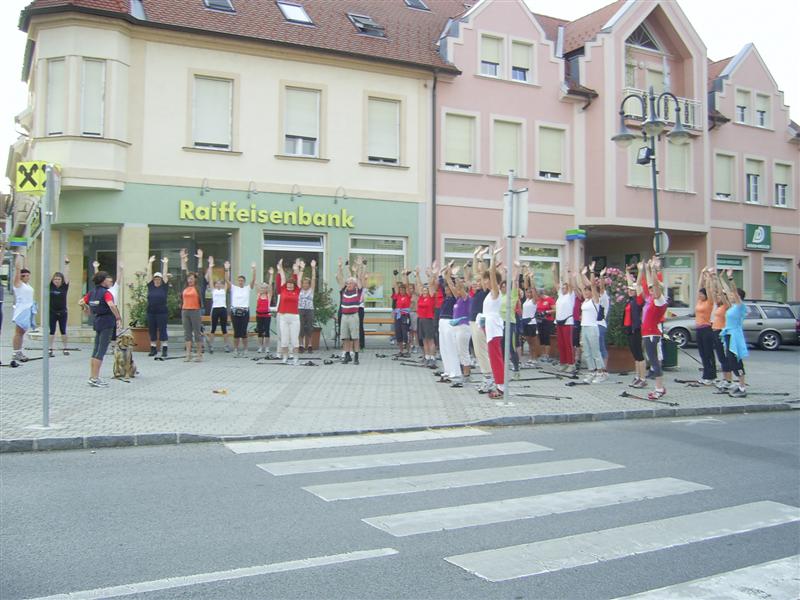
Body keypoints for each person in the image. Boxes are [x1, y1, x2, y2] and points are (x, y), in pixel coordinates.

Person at [81, 270, 121, 387]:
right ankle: (95, 378)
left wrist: (87, 310)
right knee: (101, 350)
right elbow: (111, 305)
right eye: (108, 279)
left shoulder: (92, 292)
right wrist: (118, 317)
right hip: (107, 322)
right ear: (103, 281)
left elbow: (81, 301)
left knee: (96, 349)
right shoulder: (106, 293)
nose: (110, 281)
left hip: (97, 321)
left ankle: (92, 376)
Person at [640, 258, 669, 400]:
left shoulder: (660, 300)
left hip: (652, 334)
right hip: (647, 334)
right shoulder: (651, 300)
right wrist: (648, 269)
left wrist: (654, 270)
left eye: (653, 289)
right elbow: (647, 286)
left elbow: (656, 288)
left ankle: (659, 388)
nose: (651, 290)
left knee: (654, 361)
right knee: (652, 360)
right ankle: (659, 387)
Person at [719, 270, 749, 398]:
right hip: (728, 334)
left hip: (735, 336)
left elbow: (734, 292)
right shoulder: (732, 307)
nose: (730, 296)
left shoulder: (740, 306)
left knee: (737, 361)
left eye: (732, 295)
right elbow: (727, 290)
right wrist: (720, 278)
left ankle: (742, 387)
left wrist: (730, 278)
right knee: (731, 361)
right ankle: (739, 385)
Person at [469, 248, 493, 392]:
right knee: (478, 352)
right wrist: (474, 257)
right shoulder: (477, 292)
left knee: (482, 351)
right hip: (473, 322)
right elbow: (475, 273)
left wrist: (481, 259)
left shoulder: (485, 291)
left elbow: (483, 274)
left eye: (479, 281)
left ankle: (489, 378)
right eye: (475, 282)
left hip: (481, 324)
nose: (476, 283)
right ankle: (487, 378)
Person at [444, 263, 472, 388]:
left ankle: (467, 375)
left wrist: (457, 278)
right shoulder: (459, 299)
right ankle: (463, 374)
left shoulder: (466, 298)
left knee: (463, 351)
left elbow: (459, 287)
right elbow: (450, 284)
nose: (456, 290)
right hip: (456, 327)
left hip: (464, 327)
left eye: (459, 289)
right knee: (459, 352)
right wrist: (449, 273)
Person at [483, 248, 505, 399]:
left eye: (488, 279)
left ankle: (501, 387)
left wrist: (493, 260)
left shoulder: (496, 293)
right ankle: (499, 385)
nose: (485, 282)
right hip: (489, 328)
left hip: (494, 330)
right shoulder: (489, 294)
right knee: (493, 358)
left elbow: (492, 275)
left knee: (496, 358)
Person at [179, 248, 206, 362]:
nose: (189, 280)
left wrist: (200, 258)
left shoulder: (198, 286)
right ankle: (188, 354)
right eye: (188, 278)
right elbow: (183, 271)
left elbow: (199, 271)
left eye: (191, 278)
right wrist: (183, 259)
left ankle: (199, 355)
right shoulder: (185, 286)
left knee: (197, 333)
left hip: (195, 311)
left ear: (195, 280)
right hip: (185, 311)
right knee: (187, 333)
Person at [578, 266, 604, 384]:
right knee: (587, 351)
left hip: (593, 327)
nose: (586, 292)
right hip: (584, 327)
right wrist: (581, 275)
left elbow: (593, 285)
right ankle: (591, 371)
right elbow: (582, 286)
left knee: (595, 351)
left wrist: (592, 271)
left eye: (588, 290)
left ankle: (601, 372)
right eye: (586, 290)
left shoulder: (595, 300)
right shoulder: (586, 300)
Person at [336, 257, 364, 365]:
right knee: (345, 337)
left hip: (353, 316)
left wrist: (360, 267)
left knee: (355, 337)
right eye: (347, 283)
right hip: (344, 316)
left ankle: (356, 356)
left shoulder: (358, 291)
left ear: (354, 284)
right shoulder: (343, 291)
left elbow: (360, 280)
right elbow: (339, 278)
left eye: (350, 283)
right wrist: (339, 267)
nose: (348, 284)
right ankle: (347, 355)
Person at [709, 270, 733, 390]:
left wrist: (719, 280)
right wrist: (712, 278)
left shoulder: (726, 306)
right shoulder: (718, 306)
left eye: (720, 296)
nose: (717, 297)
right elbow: (713, 292)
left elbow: (724, 295)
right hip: (715, 331)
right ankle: (725, 379)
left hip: (721, 332)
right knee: (720, 357)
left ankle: (729, 380)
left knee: (725, 357)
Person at [624, 264, 646, 388]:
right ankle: (637, 376)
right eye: (629, 290)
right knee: (635, 354)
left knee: (639, 354)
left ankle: (642, 378)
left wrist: (640, 271)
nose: (629, 291)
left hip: (636, 329)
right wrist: (627, 272)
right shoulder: (630, 300)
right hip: (629, 330)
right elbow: (630, 283)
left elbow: (637, 286)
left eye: (631, 290)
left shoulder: (638, 301)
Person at [436, 263, 459, 383]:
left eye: (448, 288)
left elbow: (450, 283)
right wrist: (441, 273)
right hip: (442, 322)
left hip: (450, 322)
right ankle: (447, 369)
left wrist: (448, 271)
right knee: (444, 348)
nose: (446, 290)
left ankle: (455, 371)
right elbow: (441, 284)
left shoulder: (456, 296)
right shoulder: (446, 297)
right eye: (445, 289)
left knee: (451, 347)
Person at [276, 258, 302, 364]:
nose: (290, 286)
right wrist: (280, 267)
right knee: (284, 339)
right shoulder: (283, 289)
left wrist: (298, 269)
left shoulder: (297, 290)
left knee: (295, 339)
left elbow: (298, 278)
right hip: (283, 317)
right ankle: (285, 357)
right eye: (288, 284)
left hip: (294, 317)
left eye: (291, 284)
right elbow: (282, 276)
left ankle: (295, 357)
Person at [228, 261, 256, 357]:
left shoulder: (247, 288)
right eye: (239, 280)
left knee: (244, 332)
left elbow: (253, 281)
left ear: (244, 281)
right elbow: (226, 280)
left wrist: (253, 270)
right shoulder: (234, 288)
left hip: (245, 311)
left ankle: (245, 350)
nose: (240, 282)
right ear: (237, 281)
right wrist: (227, 269)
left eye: (242, 280)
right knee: (236, 332)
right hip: (235, 311)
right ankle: (235, 350)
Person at [694, 268, 716, 385]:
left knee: (708, 353)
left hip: (707, 329)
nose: (700, 295)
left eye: (702, 294)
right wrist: (701, 274)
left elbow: (709, 289)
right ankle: (706, 375)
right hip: (699, 330)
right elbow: (699, 287)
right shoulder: (699, 301)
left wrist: (708, 278)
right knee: (702, 353)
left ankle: (711, 376)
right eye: (700, 294)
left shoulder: (709, 302)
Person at [11, 253, 35, 362]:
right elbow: (18, 269)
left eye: (28, 275)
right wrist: (18, 258)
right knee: (18, 332)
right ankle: (16, 352)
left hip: (28, 310)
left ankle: (19, 351)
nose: (27, 276)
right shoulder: (18, 284)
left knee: (22, 332)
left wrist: (25, 258)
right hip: (21, 310)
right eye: (24, 275)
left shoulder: (27, 285)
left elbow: (26, 268)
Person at [146, 255, 171, 358]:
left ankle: (164, 349)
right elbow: (148, 274)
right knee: (152, 329)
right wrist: (150, 263)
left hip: (162, 312)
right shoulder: (151, 286)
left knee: (162, 329)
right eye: (155, 278)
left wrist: (165, 263)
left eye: (158, 278)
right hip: (151, 311)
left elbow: (165, 275)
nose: (157, 280)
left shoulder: (164, 287)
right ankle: (153, 349)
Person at [205, 256, 231, 354]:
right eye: (217, 284)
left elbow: (227, 279)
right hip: (215, 309)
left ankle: (226, 346)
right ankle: (211, 346)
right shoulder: (213, 290)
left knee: (224, 328)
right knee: (213, 328)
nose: (218, 285)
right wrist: (210, 266)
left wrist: (227, 269)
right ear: (215, 285)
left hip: (223, 309)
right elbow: (211, 278)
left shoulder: (224, 290)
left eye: (220, 284)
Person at [414, 265, 438, 368]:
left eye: (426, 290)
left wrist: (430, 274)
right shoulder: (420, 297)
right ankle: (427, 357)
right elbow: (419, 285)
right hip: (421, 320)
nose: (424, 291)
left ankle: (433, 358)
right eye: (423, 290)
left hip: (429, 320)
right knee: (424, 339)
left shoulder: (431, 297)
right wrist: (417, 275)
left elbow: (432, 284)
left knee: (430, 339)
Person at [554, 264, 576, 372]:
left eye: (564, 287)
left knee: (568, 343)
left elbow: (572, 285)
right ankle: (563, 362)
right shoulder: (560, 296)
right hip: (558, 321)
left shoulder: (570, 296)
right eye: (562, 288)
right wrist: (554, 272)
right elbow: (556, 284)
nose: (562, 289)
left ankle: (571, 363)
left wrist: (569, 274)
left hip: (568, 321)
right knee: (561, 343)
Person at [48, 256, 71, 357]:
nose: (57, 280)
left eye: (59, 279)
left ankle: (65, 348)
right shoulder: (50, 286)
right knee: (52, 331)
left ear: (61, 280)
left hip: (62, 312)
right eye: (55, 279)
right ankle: (50, 348)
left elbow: (67, 275)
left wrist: (67, 264)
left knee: (63, 330)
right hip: (52, 312)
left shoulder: (64, 287)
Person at [392, 271, 413, 357]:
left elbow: (407, 286)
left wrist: (405, 276)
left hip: (405, 316)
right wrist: (395, 276)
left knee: (406, 334)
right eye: (400, 290)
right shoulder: (398, 296)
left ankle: (408, 351)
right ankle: (401, 351)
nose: (401, 291)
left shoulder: (408, 296)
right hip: (398, 316)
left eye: (402, 290)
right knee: (398, 333)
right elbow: (395, 286)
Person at [533, 285, 555, 363]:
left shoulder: (549, 300)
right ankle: (543, 354)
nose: (539, 297)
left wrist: (546, 312)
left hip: (547, 320)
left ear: (542, 293)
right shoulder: (539, 300)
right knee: (541, 337)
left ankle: (547, 355)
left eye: (540, 295)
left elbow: (554, 310)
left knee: (546, 337)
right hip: (540, 320)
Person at [298, 260, 317, 353]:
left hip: (309, 310)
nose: (305, 284)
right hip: (300, 309)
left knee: (309, 327)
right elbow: (298, 279)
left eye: (307, 283)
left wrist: (313, 268)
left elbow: (313, 279)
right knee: (300, 327)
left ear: (309, 285)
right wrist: (301, 268)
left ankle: (309, 345)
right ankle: (301, 345)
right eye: (303, 283)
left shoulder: (311, 290)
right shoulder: (299, 290)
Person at [255, 268, 275, 354]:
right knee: (260, 331)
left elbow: (270, 285)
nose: (263, 289)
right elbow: (255, 284)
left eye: (265, 287)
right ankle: (260, 347)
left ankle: (267, 347)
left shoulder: (268, 296)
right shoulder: (258, 295)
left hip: (267, 315)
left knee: (266, 331)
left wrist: (271, 275)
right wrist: (254, 270)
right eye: (262, 287)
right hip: (259, 315)